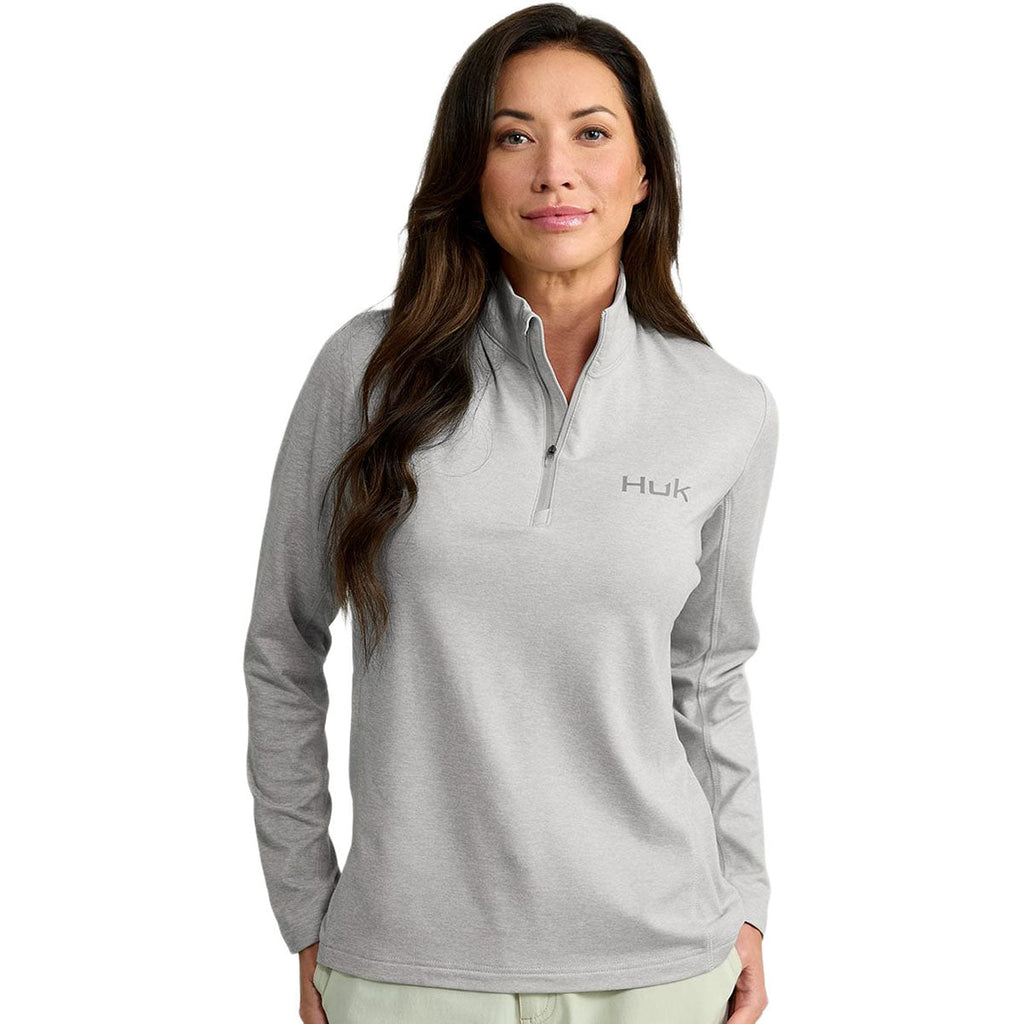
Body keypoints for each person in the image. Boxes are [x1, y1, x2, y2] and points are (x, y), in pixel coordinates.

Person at [243, 5, 779, 1023]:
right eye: (513, 136)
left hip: (662, 962)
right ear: (470, 170)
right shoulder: (366, 372)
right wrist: (305, 904)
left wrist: (746, 896)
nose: (554, 172)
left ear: (644, 172)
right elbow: (282, 646)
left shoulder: (725, 408)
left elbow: (708, 677)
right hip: (408, 966)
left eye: (591, 132)